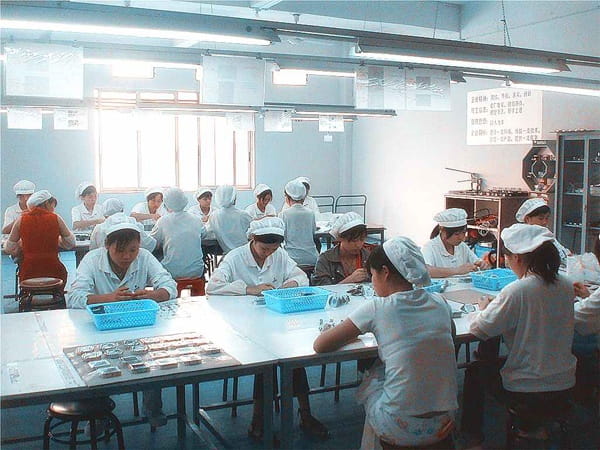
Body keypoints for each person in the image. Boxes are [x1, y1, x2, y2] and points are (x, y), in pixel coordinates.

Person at [314, 237, 458, 449]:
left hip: (399, 426)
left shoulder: (378, 308)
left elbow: (321, 345)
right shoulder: (439, 301)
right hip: (443, 422)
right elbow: (450, 338)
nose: (372, 282)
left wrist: (355, 335)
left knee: (373, 378)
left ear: (385, 272)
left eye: (372, 275)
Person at [206, 218, 328, 440]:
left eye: (273, 249)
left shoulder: (278, 255)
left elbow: (300, 276)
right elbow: (213, 286)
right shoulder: (235, 258)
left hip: (276, 322)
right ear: (253, 240)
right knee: (266, 365)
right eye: (264, 249)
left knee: (294, 359)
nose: (268, 254)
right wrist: (248, 289)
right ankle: (259, 417)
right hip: (244, 327)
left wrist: (291, 284)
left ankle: (305, 413)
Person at [461, 224, 577, 447]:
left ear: (517, 257)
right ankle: (539, 428)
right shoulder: (565, 284)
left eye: (507, 258)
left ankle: (473, 438)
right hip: (564, 380)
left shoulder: (518, 290)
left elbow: (480, 329)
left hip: (528, 386)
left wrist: (483, 309)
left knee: (475, 371)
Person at [67, 222, 177, 427]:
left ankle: (153, 407)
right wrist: (109, 298)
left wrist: (152, 295)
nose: (127, 256)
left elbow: (169, 286)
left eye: (132, 250)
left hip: (137, 324)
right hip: (100, 327)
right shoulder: (92, 260)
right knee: (99, 365)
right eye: (120, 250)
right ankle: (99, 415)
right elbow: (73, 297)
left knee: (150, 355)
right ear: (107, 246)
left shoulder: (144, 257)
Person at [5, 190, 75, 285]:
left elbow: (9, 248)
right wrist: (57, 240)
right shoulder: (56, 218)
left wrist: (22, 244)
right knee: (60, 276)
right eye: (53, 206)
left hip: (28, 273)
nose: (53, 209)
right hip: (54, 271)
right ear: (47, 203)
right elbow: (70, 243)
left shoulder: (21, 220)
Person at [150, 187, 205, 292]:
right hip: (196, 271)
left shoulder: (163, 221)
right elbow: (204, 235)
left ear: (166, 203)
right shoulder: (196, 219)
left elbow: (153, 242)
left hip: (172, 272)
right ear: (184, 200)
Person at [422, 208, 487, 278]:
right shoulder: (429, 248)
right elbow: (425, 271)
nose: (462, 238)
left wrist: (481, 264)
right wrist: (457, 270)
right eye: (456, 234)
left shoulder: (462, 246)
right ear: (443, 231)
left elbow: (475, 261)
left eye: (463, 232)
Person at [314, 212, 371, 285]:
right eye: (353, 241)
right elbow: (321, 288)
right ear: (341, 238)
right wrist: (349, 280)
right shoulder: (326, 259)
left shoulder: (368, 257)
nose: (358, 245)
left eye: (362, 239)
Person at [515, 197, 571, 262]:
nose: (545, 222)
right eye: (541, 218)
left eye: (546, 218)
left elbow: (561, 251)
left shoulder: (545, 234)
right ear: (527, 219)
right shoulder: (524, 237)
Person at [89, 198, 156, 252]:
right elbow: (149, 244)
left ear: (105, 214)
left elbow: (93, 250)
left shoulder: (99, 228)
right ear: (122, 209)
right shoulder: (133, 223)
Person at [279, 179, 319, 266]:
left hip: (291, 259)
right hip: (312, 257)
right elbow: (313, 233)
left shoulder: (284, 214)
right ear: (303, 197)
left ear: (287, 198)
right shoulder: (310, 213)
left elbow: (282, 236)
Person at [208, 185, 251, 254]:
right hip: (245, 252)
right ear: (233, 198)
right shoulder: (243, 215)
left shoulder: (214, 216)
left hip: (227, 254)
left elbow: (207, 233)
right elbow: (253, 229)